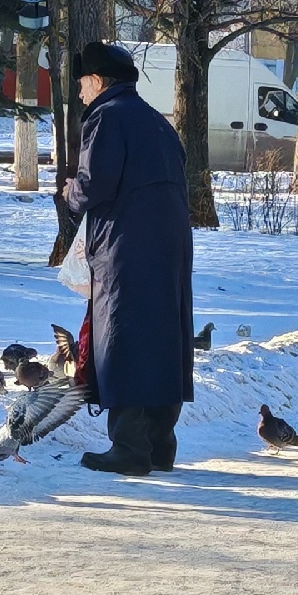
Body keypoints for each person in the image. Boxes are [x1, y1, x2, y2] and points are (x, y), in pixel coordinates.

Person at [62, 41, 194, 475]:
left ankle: (130, 448)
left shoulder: (105, 117)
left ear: (97, 81)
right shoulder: (158, 123)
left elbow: (95, 183)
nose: (81, 93)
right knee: (162, 335)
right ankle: (160, 445)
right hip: (170, 245)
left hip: (125, 245)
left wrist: (70, 192)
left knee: (122, 335)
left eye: (82, 84)